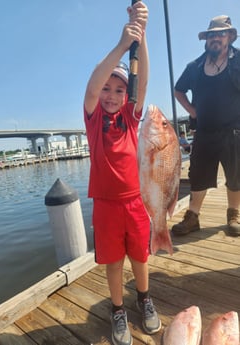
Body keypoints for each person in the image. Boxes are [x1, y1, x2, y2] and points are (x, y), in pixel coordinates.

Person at [84, 2, 161, 345]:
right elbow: (91, 88)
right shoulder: (93, 119)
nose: (112, 95)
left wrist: (140, 35)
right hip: (105, 206)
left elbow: (142, 80)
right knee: (113, 263)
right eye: (107, 89)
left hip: (135, 203)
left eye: (119, 89)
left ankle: (144, 299)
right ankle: (118, 309)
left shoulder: (132, 118)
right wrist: (120, 44)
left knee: (140, 258)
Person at [172, 15, 240, 237]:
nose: (216, 38)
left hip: (234, 130)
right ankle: (192, 217)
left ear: (229, 36)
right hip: (203, 132)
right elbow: (178, 90)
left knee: (235, 174)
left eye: (221, 34)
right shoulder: (195, 66)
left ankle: (234, 214)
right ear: (206, 39)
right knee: (198, 175)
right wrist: (192, 111)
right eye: (211, 35)